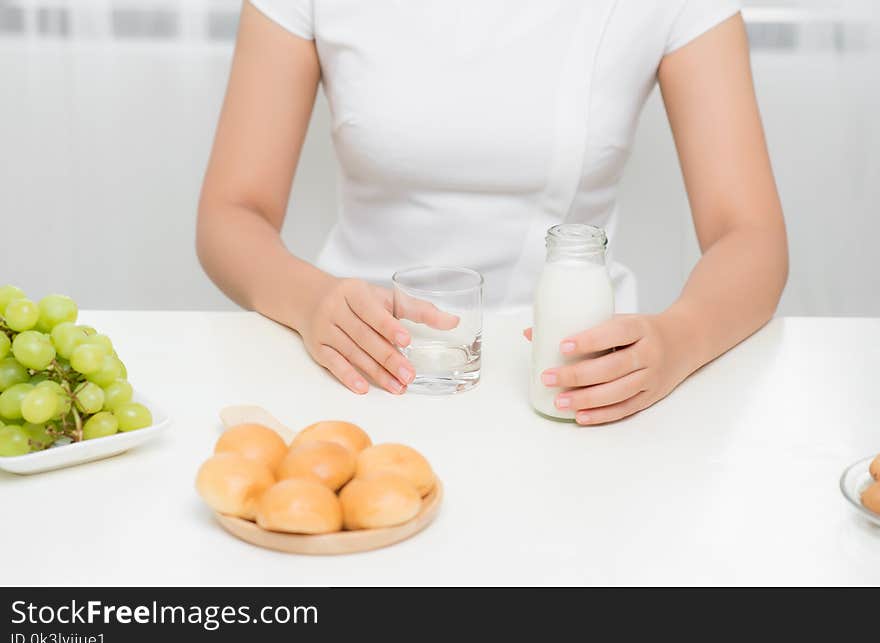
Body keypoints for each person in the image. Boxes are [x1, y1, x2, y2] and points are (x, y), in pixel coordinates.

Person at [197, 1, 788, 425]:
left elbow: (750, 235)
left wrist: (678, 340)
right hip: (357, 370)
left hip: (577, 380)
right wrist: (309, 300)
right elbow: (230, 214)